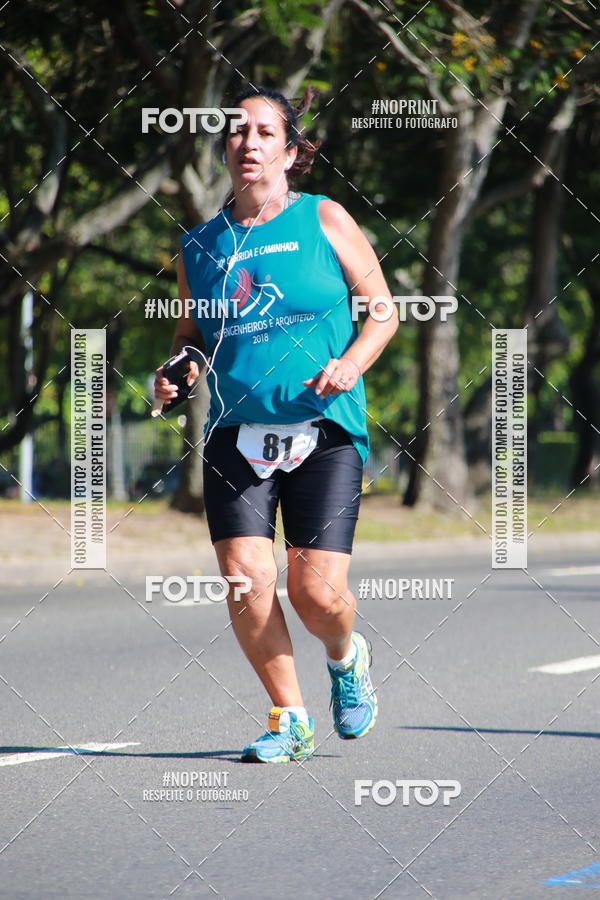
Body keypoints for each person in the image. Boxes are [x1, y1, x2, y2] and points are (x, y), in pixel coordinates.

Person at [154, 85, 398, 763]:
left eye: (265, 132)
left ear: (291, 152)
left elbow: (384, 309)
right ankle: (289, 719)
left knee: (315, 594)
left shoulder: (324, 219)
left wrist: (350, 363)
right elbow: (193, 336)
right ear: (226, 148)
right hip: (236, 435)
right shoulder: (200, 244)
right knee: (244, 576)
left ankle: (346, 657)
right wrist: (179, 370)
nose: (249, 142)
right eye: (238, 131)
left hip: (324, 430)